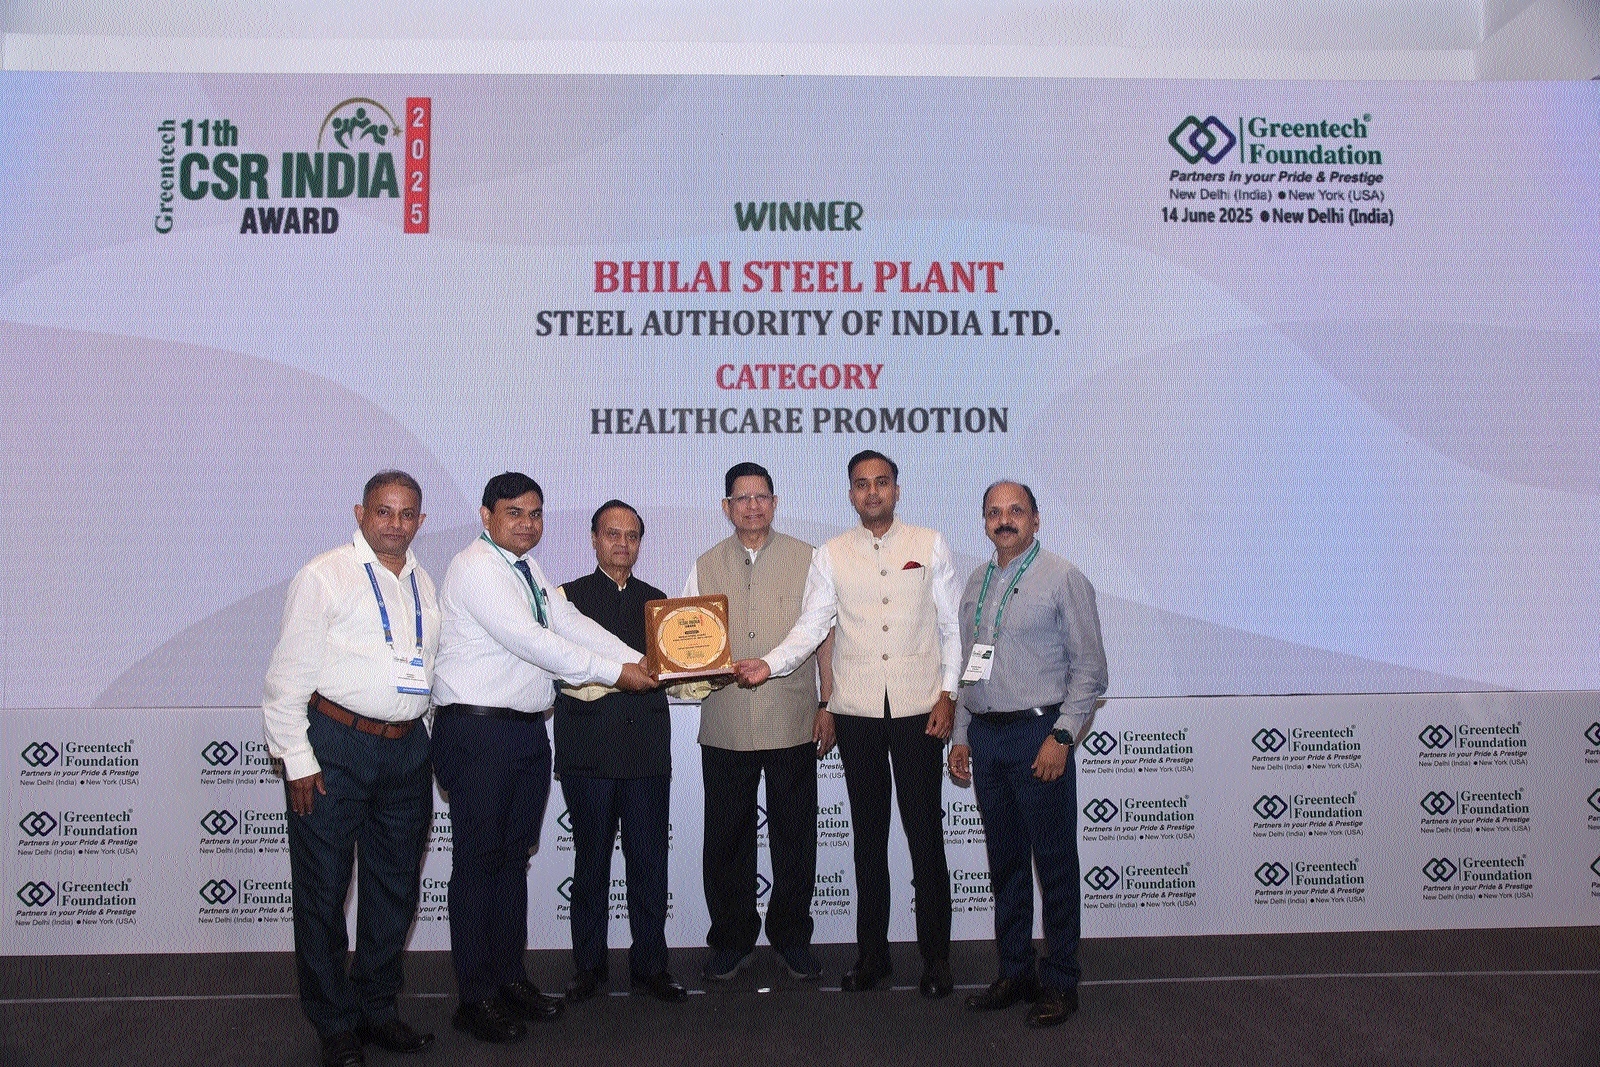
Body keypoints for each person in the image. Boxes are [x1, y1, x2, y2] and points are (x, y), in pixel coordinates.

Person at [430, 473, 656, 1044]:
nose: (527, 524)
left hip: (524, 735)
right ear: (487, 517)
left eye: (535, 513)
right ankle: (475, 998)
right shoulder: (476, 568)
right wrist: (619, 673)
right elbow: (533, 642)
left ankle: (509, 981)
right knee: (479, 868)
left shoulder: (526, 570)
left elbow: (574, 624)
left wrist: (649, 665)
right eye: (514, 513)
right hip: (479, 734)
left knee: (509, 865)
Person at [737, 450, 961, 998]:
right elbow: (811, 626)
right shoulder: (831, 554)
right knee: (867, 843)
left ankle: (936, 961)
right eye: (861, 485)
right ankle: (873, 958)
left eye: (881, 482)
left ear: (897, 490)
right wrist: (771, 663)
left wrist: (949, 693)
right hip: (856, 715)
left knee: (926, 840)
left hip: (918, 713)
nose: (872, 493)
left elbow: (951, 626)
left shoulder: (929, 544)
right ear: (851, 493)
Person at [262, 471, 439, 1067]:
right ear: (360, 513)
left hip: (408, 751)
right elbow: (285, 681)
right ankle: (333, 1023)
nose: (396, 522)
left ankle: (377, 1010)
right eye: (384, 511)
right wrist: (297, 761)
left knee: (394, 890)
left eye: (407, 513)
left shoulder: (424, 581)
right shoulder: (325, 575)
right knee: (323, 893)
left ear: (420, 519)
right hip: (333, 750)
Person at [947, 481, 1108, 1028]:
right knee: (1007, 865)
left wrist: (1063, 736)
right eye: (994, 512)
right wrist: (961, 734)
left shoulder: (1062, 577)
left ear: (1036, 519)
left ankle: (1061, 981)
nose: (1004, 519)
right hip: (988, 738)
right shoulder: (978, 580)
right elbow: (972, 664)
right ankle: (1014, 971)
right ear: (984, 521)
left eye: (1016, 511)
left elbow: (1090, 669)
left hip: (1039, 736)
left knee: (1055, 866)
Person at [681, 462, 835, 983]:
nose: (752, 506)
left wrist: (827, 703)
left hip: (790, 717)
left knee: (795, 836)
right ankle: (731, 939)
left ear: (775, 502)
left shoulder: (809, 558)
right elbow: (686, 639)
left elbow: (822, 633)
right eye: (742, 498)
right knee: (725, 838)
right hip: (725, 721)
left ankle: (791, 936)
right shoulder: (704, 565)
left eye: (762, 497)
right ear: (726, 507)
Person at [554, 500, 687, 1004]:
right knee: (590, 864)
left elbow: (674, 673)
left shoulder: (661, 606)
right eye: (612, 534)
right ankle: (588, 969)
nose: (622, 544)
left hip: (646, 753)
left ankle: (651, 966)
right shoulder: (565, 599)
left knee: (649, 863)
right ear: (593, 539)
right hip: (588, 753)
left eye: (632, 536)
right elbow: (562, 670)